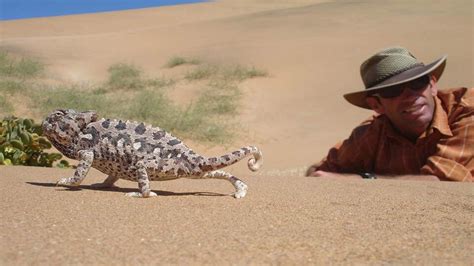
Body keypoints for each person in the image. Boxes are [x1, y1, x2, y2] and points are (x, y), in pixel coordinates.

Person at [306, 46, 473, 181]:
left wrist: (362, 180)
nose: (410, 96)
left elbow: (439, 182)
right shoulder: (371, 135)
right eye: (393, 90)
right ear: (376, 105)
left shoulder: (467, 111)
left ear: (433, 85)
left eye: (417, 82)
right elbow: (319, 173)